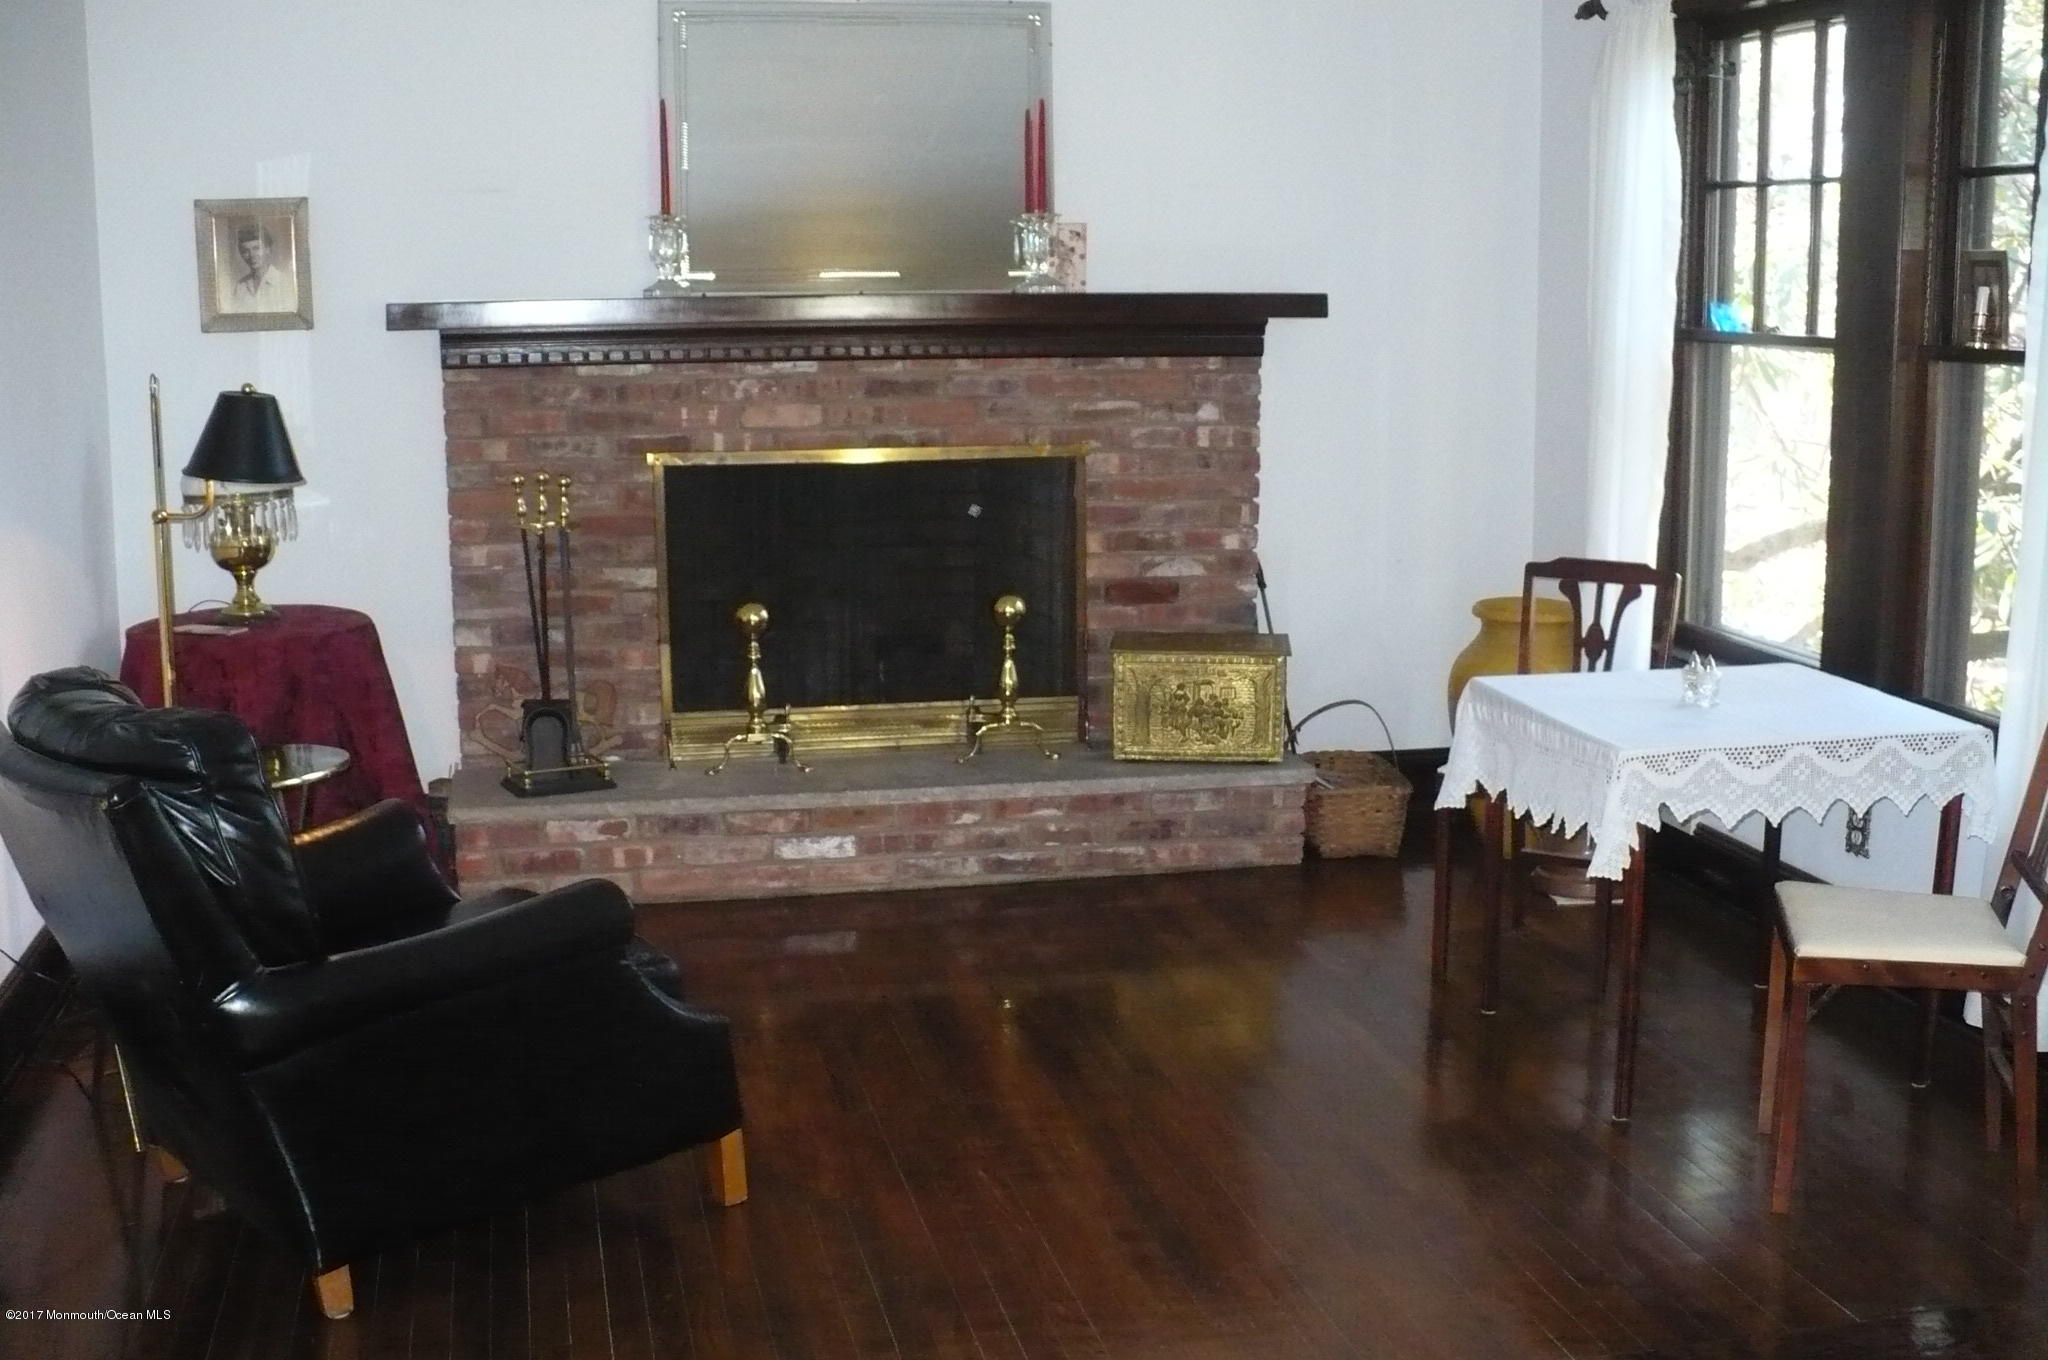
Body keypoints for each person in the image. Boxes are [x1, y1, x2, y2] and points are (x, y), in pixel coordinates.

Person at [224, 220, 292, 312]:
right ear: (241, 254)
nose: (252, 255)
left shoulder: (284, 283)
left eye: (256, 248)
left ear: (267, 249)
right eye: (245, 251)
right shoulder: (240, 286)